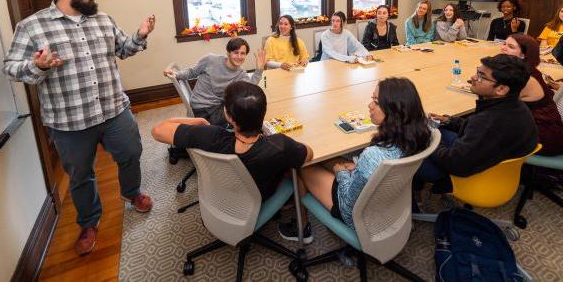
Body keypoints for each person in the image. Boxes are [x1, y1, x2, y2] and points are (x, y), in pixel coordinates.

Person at [3, 0, 156, 256]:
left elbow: (123, 49)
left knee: (131, 153)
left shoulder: (102, 19)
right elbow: (10, 68)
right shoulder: (32, 26)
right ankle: (89, 222)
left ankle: (131, 193)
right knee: (81, 175)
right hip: (69, 122)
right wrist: (38, 66)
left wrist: (140, 34)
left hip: (114, 110)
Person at [279, 78, 431, 240]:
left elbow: (348, 203)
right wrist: (359, 167)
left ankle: (302, 228)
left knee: (304, 163)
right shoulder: (419, 136)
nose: (370, 105)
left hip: (356, 214)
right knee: (326, 159)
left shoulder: (373, 155)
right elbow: (374, 167)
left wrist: (341, 173)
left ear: (393, 111)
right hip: (387, 201)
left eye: (376, 101)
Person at [151, 81, 313, 202]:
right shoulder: (279, 144)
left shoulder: (211, 136)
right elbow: (308, 154)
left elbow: (157, 131)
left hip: (220, 193)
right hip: (259, 197)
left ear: (228, 116)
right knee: (293, 169)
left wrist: (200, 120)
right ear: (264, 112)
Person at [414, 54, 538, 194]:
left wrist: (429, 137)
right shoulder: (516, 106)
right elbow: (477, 130)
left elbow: (453, 163)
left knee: (406, 146)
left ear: (501, 89)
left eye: (481, 75)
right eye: (477, 71)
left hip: (469, 175)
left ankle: (412, 196)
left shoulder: (488, 122)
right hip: (488, 162)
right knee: (439, 129)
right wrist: (449, 121)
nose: (473, 77)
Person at [163, 37, 265, 127]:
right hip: (203, 109)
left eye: (242, 53)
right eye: (236, 52)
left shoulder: (240, 73)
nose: (239, 57)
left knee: (245, 107)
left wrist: (259, 70)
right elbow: (192, 72)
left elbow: (249, 88)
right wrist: (176, 74)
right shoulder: (211, 60)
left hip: (218, 107)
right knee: (245, 116)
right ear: (228, 52)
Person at [500, 34, 563, 156]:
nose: (503, 48)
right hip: (532, 125)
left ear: (523, 55)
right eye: (504, 44)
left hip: (542, 137)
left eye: (510, 46)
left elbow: (497, 103)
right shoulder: (523, 70)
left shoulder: (525, 77)